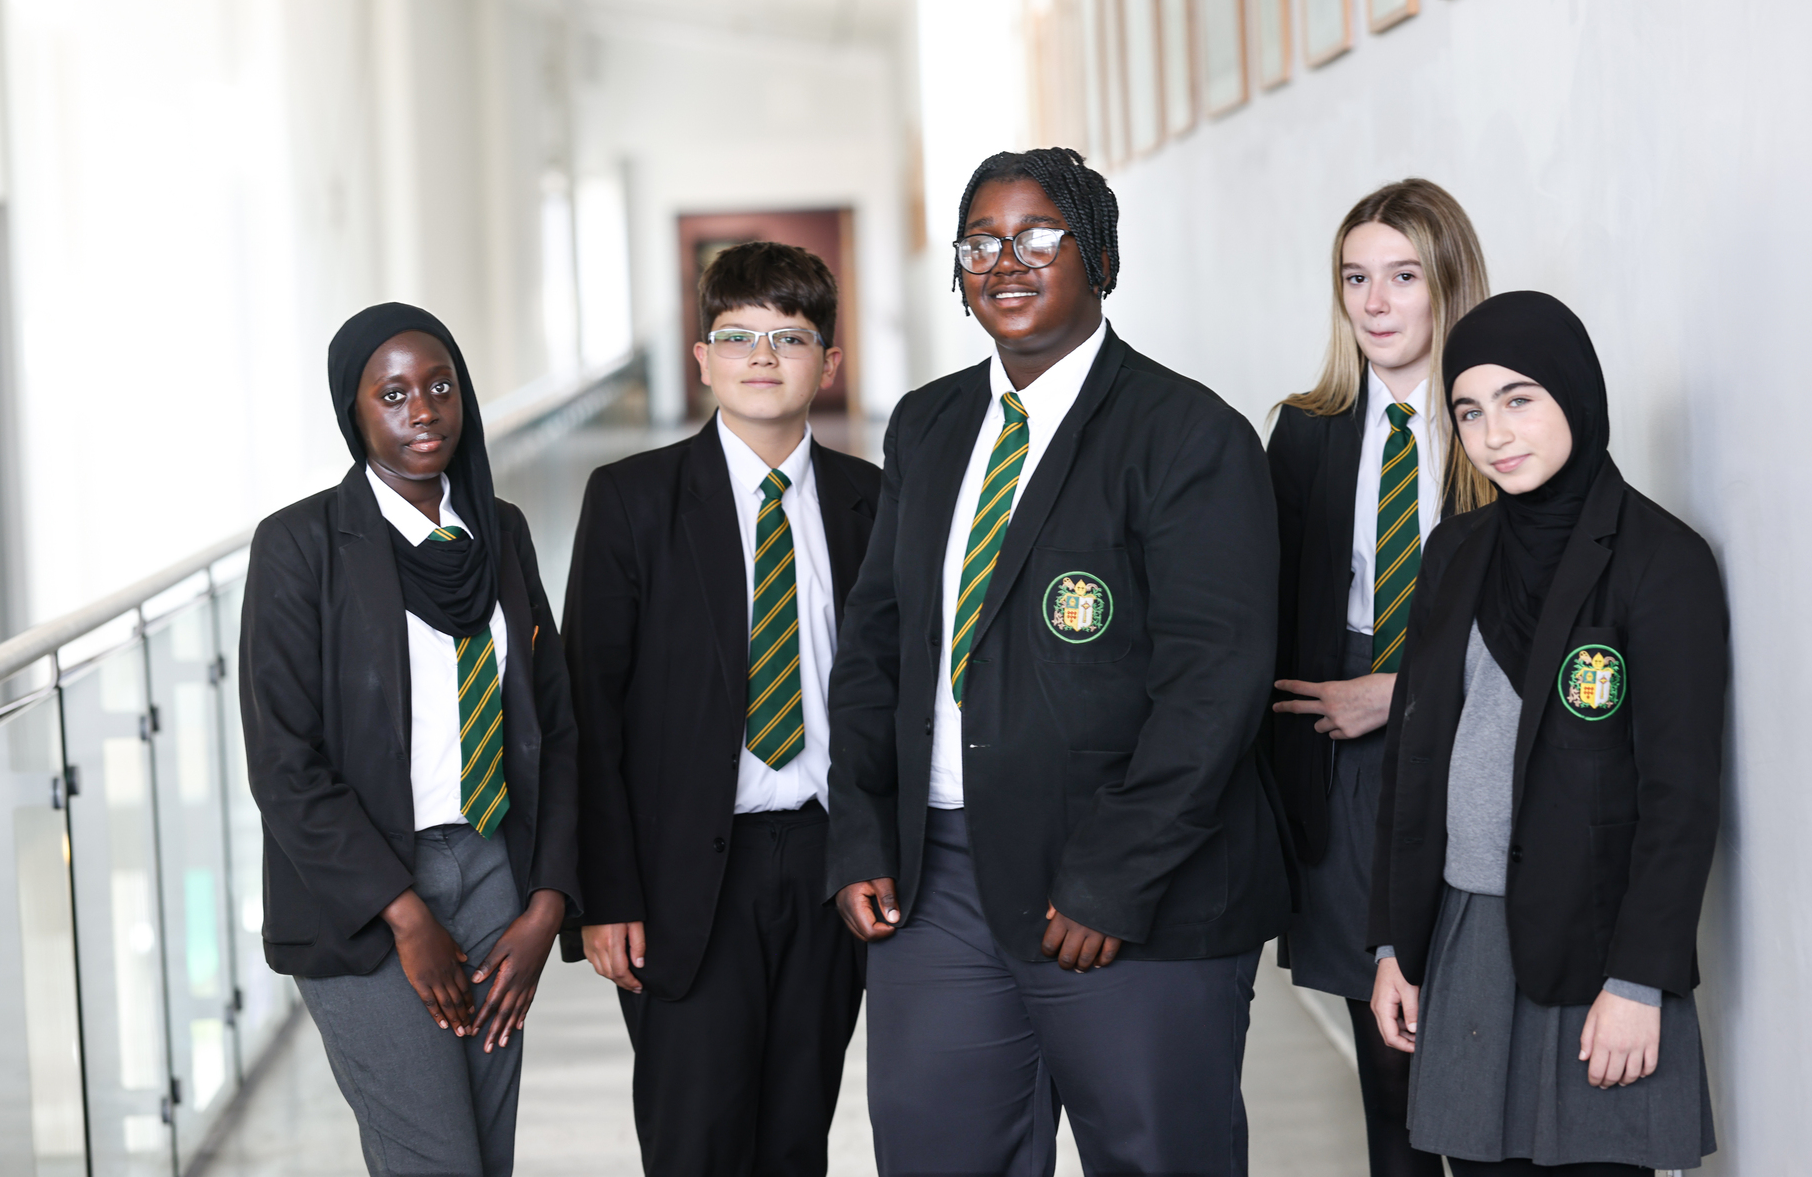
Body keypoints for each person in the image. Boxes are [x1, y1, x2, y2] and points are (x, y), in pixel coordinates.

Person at [826, 147, 1286, 1177]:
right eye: (980, 243)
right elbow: (875, 645)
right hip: (936, 886)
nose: (1005, 261)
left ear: (1101, 259)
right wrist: (860, 830)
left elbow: (1213, 686)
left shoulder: (1187, 435)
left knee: (1158, 1157)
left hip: (1130, 891)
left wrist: (1112, 876)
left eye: (1038, 237)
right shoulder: (928, 425)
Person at [1368, 291, 1726, 1176]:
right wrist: (1394, 944)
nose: (1495, 434)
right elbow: (1412, 763)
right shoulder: (1454, 552)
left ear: (1574, 391)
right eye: (1469, 411)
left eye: (1519, 399)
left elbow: (1680, 797)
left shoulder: (1662, 562)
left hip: (1596, 949)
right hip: (1465, 939)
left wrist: (1640, 981)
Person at [239, 303, 579, 1177]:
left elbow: (554, 728)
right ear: (353, 412)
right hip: (367, 901)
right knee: (434, 1160)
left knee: (486, 1158)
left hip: (496, 877)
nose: (422, 410)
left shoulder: (502, 532)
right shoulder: (300, 546)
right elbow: (283, 763)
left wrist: (546, 904)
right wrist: (403, 911)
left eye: (440, 386)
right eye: (392, 394)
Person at [565, 241, 882, 1175]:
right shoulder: (631, 500)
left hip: (830, 866)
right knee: (695, 1142)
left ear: (829, 362)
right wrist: (606, 896)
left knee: (797, 1138)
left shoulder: (873, 502)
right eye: (738, 335)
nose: (762, 356)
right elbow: (590, 709)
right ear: (702, 358)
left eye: (790, 337)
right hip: (684, 878)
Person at [1265, 179, 1492, 1177]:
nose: (1375, 302)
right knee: (1389, 1055)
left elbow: (1541, 619)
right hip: (1344, 757)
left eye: (1402, 276)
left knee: (1477, 1039)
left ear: (1448, 283)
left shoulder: (1499, 424)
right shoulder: (1306, 430)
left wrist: (1400, 691)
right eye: (1355, 278)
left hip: (1477, 734)